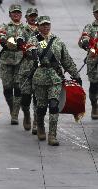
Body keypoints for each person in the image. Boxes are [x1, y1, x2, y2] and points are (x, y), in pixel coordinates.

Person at [26, 16, 81, 146]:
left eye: (47, 25)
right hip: (40, 78)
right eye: (43, 25)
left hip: (55, 78)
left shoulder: (57, 41)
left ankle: (52, 135)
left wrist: (76, 75)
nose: (46, 27)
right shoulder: (34, 40)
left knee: (54, 105)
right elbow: (28, 50)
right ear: (38, 26)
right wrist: (31, 52)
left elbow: (66, 59)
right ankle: (40, 126)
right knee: (41, 107)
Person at [0, 4, 25, 125]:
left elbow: (34, 39)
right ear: (10, 14)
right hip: (6, 62)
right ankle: (12, 107)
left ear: (21, 14)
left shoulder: (26, 28)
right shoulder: (5, 26)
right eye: (13, 12)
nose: (16, 14)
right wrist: (4, 41)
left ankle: (15, 113)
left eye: (18, 12)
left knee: (17, 87)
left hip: (21, 62)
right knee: (7, 88)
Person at [18, 8, 39, 133]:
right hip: (26, 67)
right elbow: (19, 39)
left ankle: (37, 121)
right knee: (25, 98)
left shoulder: (41, 30)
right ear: (26, 17)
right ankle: (26, 114)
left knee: (37, 96)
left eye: (35, 16)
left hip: (38, 68)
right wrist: (22, 45)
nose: (33, 18)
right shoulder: (23, 29)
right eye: (31, 16)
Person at [78, 3, 98, 120]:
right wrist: (86, 44)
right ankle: (94, 105)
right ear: (94, 14)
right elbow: (82, 41)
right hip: (93, 60)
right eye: (97, 12)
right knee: (94, 85)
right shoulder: (89, 27)